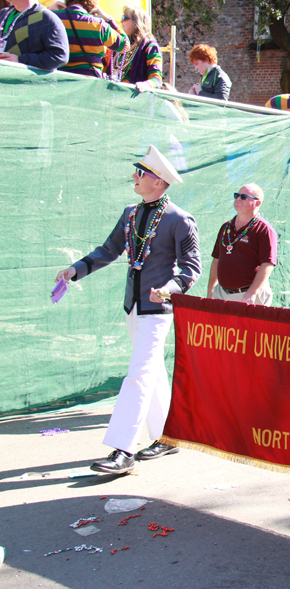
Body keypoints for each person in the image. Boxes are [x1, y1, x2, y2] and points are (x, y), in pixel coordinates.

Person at [55, 146, 202, 473]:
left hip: (158, 311)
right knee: (151, 372)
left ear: (159, 182)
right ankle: (169, 435)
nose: (135, 177)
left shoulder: (180, 219)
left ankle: (124, 449)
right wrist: (76, 269)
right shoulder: (130, 214)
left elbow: (191, 269)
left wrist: (169, 288)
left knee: (138, 373)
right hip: (132, 306)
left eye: (142, 173)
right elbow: (109, 250)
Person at [207, 184, 277, 306]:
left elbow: (268, 264)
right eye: (237, 195)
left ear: (257, 203)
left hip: (248, 295)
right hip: (222, 293)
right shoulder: (226, 227)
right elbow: (216, 260)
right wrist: (211, 290)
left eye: (244, 196)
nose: (238, 198)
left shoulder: (264, 229)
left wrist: (252, 293)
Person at [55, 0, 127, 77]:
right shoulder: (99, 24)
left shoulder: (54, 18)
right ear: (91, 4)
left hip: (60, 80)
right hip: (90, 81)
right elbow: (125, 45)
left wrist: (48, 10)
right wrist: (109, 20)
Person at [0, 0, 68, 71]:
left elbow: (59, 56)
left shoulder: (46, 18)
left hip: (23, 81)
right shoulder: (3, 14)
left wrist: (20, 60)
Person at [107, 5, 162, 91]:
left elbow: (157, 79)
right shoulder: (120, 45)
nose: (121, 21)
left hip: (134, 98)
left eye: (124, 18)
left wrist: (145, 85)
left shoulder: (150, 46)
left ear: (136, 22)